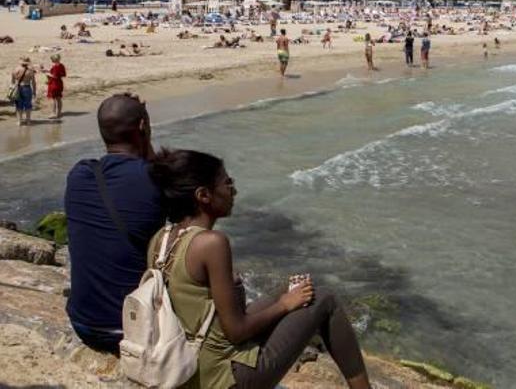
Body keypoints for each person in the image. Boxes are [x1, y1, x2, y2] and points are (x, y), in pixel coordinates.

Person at [147, 149, 371, 389]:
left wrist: (286, 297)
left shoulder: (160, 239)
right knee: (324, 299)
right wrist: (285, 305)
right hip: (224, 378)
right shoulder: (212, 243)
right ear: (204, 195)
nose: (234, 190)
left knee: (293, 286)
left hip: (187, 367)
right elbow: (236, 332)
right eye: (227, 182)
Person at [65, 93, 165, 353]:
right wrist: (147, 137)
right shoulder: (156, 179)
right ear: (143, 127)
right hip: (131, 328)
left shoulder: (79, 174)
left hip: (83, 323)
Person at [10, 57, 37, 126]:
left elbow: (12, 81)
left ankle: (19, 121)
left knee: (19, 105)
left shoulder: (15, 69)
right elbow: (33, 82)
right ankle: (28, 121)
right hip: (27, 87)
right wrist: (34, 92)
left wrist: (12, 89)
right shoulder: (30, 70)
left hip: (18, 88)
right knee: (28, 104)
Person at [41, 53, 67, 119]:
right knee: (59, 98)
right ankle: (59, 113)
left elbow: (54, 76)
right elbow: (63, 74)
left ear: (53, 60)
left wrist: (47, 74)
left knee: (54, 99)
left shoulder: (55, 67)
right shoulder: (61, 65)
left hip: (54, 84)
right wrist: (47, 70)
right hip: (59, 83)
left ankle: (53, 113)